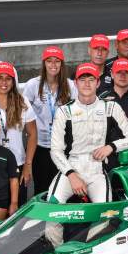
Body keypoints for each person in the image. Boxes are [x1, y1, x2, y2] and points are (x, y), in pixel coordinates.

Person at [48, 62, 128, 203]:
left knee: (105, 214)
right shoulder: (64, 111)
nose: (87, 84)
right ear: (76, 83)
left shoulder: (111, 107)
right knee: (51, 207)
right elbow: (55, 150)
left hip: (97, 170)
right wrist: (72, 175)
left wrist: (111, 147)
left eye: (91, 80)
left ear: (98, 83)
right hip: (71, 167)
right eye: (82, 80)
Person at [22, 45, 77, 193]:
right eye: (49, 61)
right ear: (44, 63)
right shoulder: (33, 85)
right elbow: (24, 114)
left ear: (62, 64)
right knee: (41, 189)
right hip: (40, 147)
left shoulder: (70, 86)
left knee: (63, 190)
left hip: (63, 146)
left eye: (57, 61)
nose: (53, 65)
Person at [0, 61, 36, 206]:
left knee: (16, 210)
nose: (3, 82)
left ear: (13, 81)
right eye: (0, 78)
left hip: (17, 164)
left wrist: (28, 165)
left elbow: (32, 134)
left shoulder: (22, 102)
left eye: (8, 78)